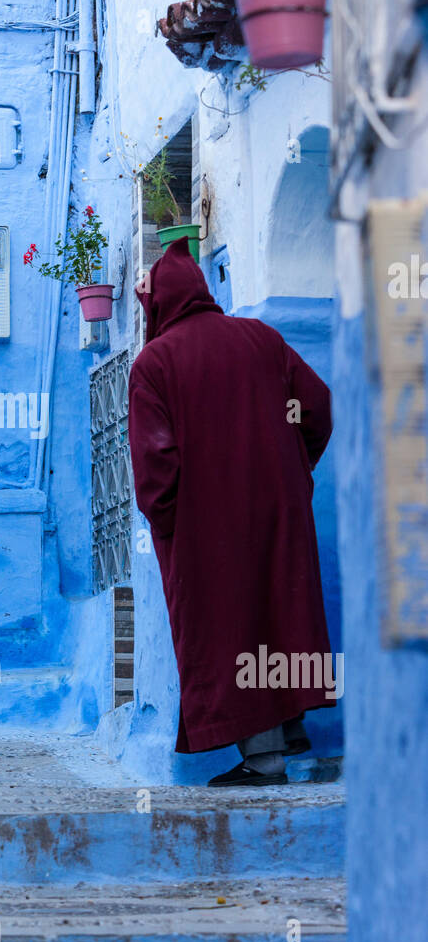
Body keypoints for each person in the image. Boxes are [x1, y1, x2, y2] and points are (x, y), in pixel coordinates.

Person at [128, 236, 334, 786]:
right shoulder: (262, 340)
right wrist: (294, 472)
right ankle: (289, 729)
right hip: (278, 511)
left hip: (207, 526)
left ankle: (265, 760)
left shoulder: (154, 364)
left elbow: (155, 463)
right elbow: (315, 407)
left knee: (230, 626)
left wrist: (170, 522)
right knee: (278, 607)